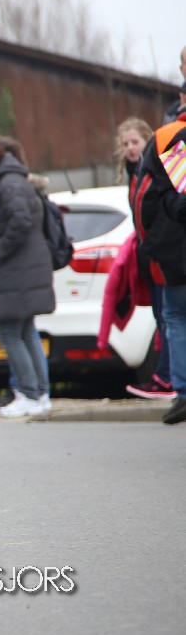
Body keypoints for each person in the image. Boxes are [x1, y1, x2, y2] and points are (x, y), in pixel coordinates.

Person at [0, 138, 55, 418]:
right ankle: (40, 394)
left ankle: (29, 394)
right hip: (26, 268)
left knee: (9, 333)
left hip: (18, 270)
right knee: (25, 330)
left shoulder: (8, 185)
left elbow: (20, 222)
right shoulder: (15, 181)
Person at [132, 98, 186, 424]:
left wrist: (151, 241)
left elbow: (178, 198)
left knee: (177, 317)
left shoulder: (171, 137)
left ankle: (183, 392)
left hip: (176, 254)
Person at [114, 117, 173, 399]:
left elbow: (170, 204)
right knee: (164, 317)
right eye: (125, 143)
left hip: (164, 253)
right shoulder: (134, 171)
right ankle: (167, 376)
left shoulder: (166, 150)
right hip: (151, 254)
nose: (130, 148)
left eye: (134, 142)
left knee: (170, 317)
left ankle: (168, 377)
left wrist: (154, 243)